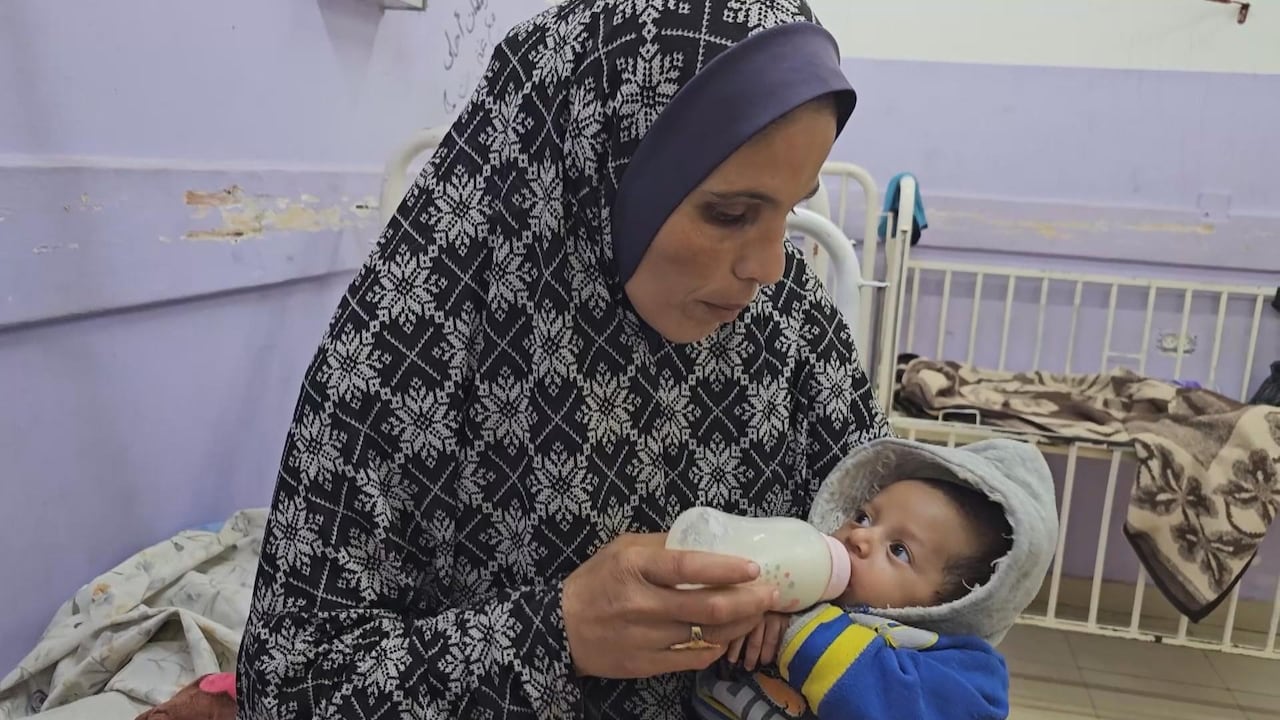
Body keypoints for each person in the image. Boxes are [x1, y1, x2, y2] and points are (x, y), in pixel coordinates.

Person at [235, 0, 892, 718]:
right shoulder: (408, 344)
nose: (768, 266)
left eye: (789, 212)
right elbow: (289, 685)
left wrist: (812, 609)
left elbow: (914, 567)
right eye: (729, 215)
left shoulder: (790, 323)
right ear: (598, 173)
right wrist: (555, 634)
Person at [693, 437, 1059, 720]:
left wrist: (799, 629)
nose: (860, 536)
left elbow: (896, 702)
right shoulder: (802, 593)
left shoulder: (964, 671)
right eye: (864, 517)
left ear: (955, 603)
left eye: (898, 550)